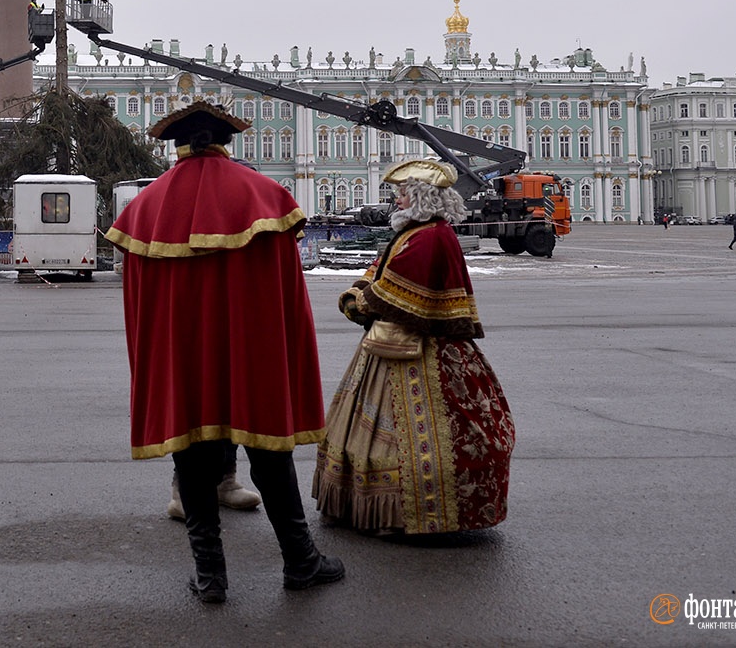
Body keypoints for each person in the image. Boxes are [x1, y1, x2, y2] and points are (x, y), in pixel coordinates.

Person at [106, 101, 344, 604]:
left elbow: (141, 309)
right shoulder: (265, 197)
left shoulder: (146, 208)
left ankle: (211, 576)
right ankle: (301, 561)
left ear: (178, 145)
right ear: (224, 141)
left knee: (191, 456)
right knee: (268, 452)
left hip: (184, 357)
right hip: (252, 353)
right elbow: (287, 295)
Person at [313, 159, 515, 536]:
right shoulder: (416, 233)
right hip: (395, 344)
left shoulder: (429, 237)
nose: (397, 200)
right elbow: (381, 272)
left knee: (415, 437)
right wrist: (361, 289)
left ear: (421, 197)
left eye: (403, 193)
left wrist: (358, 302)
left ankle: (409, 513)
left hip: (418, 348)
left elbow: (396, 293)